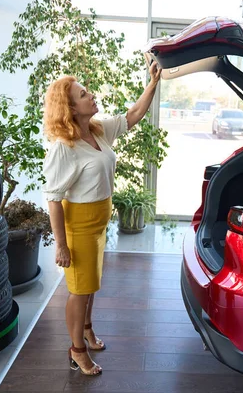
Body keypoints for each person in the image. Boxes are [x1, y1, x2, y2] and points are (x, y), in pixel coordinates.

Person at [42, 61, 162, 376]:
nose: (91, 95)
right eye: (83, 94)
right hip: (79, 225)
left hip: (98, 223)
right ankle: (76, 351)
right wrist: (61, 246)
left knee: (90, 284)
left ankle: (87, 330)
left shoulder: (97, 130)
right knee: (79, 289)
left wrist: (153, 83)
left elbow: (133, 115)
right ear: (70, 108)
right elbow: (54, 199)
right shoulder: (63, 147)